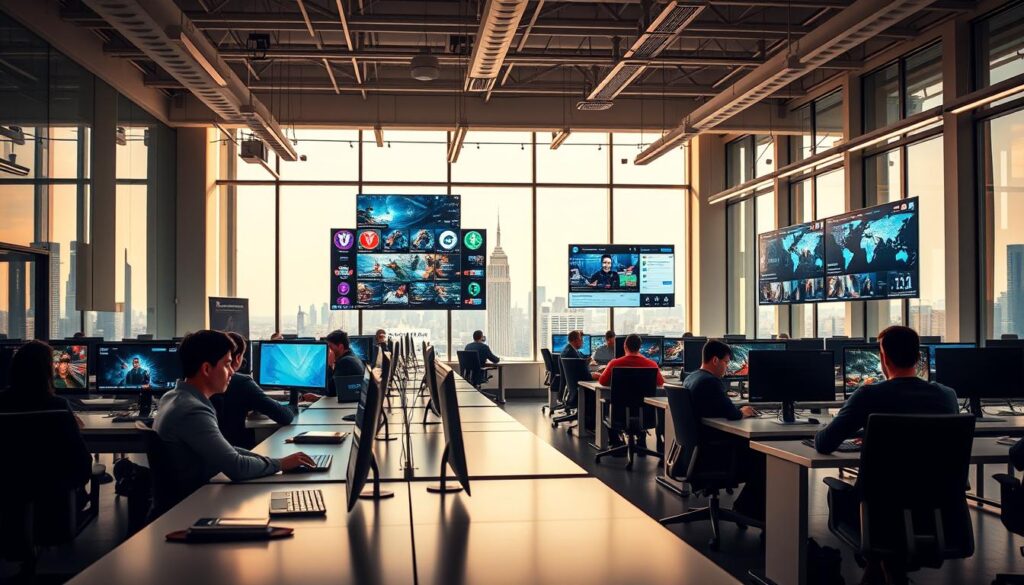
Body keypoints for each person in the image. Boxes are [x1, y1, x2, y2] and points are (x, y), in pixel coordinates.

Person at [813, 326, 958, 584]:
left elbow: (825, 443)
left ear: (883, 358)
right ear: (919, 357)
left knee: (840, 492)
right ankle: (886, 570)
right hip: (934, 513)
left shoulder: (869, 394)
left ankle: (882, 566)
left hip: (878, 514)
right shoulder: (947, 396)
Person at [154, 331, 315, 495]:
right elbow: (237, 467)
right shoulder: (192, 411)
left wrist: (273, 461)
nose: (232, 371)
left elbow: (228, 451)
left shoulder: (172, 397)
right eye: (226, 365)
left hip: (197, 496)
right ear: (207, 369)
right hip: (190, 507)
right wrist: (280, 464)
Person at [0, 341, 93, 509]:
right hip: (54, 494)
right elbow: (83, 462)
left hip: (7, 490)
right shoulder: (59, 407)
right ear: (47, 372)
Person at [682, 339, 762, 520]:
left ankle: (745, 508)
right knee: (764, 457)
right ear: (715, 360)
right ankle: (746, 510)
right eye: (726, 362)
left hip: (694, 452)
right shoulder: (710, 382)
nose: (727, 367)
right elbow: (732, 414)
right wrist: (743, 412)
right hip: (713, 455)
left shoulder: (691, 377)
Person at [211, 333, 296, 449]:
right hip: (237, 454)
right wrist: (292, 407)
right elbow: (284, 416)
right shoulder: (242, 383)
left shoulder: (198, 388)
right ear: (237, 358)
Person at [598, 334, 665, 387]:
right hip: (644, 404)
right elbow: (661, 383)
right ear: (639, 348)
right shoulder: (652, 365)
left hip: (620, 403)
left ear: (625, 346)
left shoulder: (613, 363)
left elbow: (602, 382)